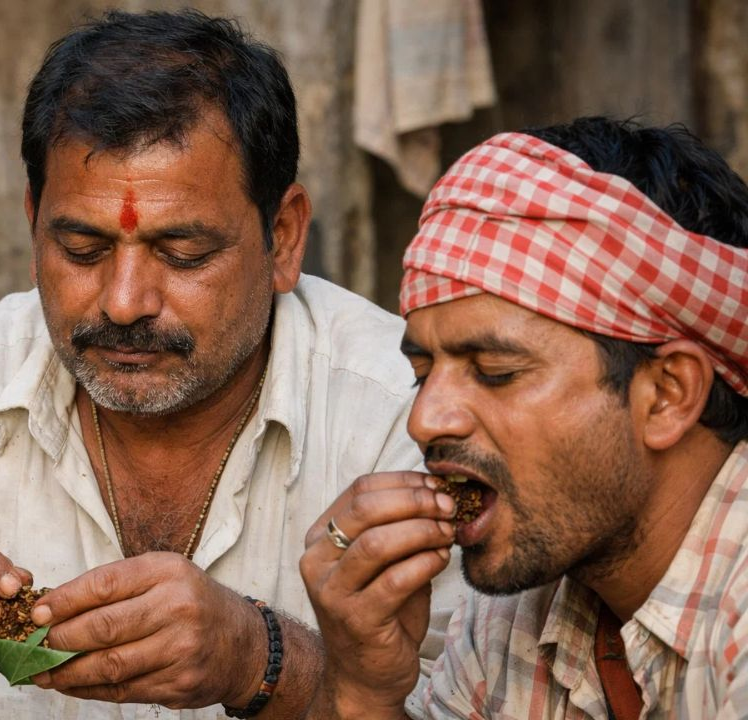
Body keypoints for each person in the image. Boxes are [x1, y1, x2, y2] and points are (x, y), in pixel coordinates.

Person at [0, 9, 464, 719]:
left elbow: (476, 698)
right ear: (32, 219)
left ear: (286, 237)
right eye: (82, 250)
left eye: (184, 253)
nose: (126, 301)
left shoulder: (408, 412)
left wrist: (259, 659)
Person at [300, 117, 748, 719]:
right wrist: (361, 688)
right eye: (422, 371)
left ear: (667, 394)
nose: (425, 420)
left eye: (494, 371)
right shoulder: (510, 615)